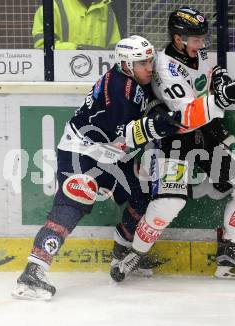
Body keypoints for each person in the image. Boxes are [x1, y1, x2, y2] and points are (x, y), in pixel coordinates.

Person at [12, 35, 181, 300]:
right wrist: (156, 125)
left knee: (142, 198)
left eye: (150, 61)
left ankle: (121, 252)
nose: (149, 67)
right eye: (142, 63)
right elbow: (123, 135)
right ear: (126, 65)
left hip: (111, 156)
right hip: (81, 154)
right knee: (71, 206)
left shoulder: (137, 81)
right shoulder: (118, 89)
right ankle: (33, 270)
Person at [110, 7, 235, 282]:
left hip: (207, 133)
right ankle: (134, 252)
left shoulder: (199, 52)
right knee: (169, 203)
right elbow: (187, 115)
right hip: (173, 137)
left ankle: (228, 252)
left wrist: (223, 82)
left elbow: (211, 71)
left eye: (203, 38)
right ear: (179, 38)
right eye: (196, 39)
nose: (202, 44)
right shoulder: (164, 68)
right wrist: (223, 99)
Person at [32, 0, 121, 50]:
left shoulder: (107, 12)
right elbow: (43, 46)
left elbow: (115, 49)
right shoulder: (52, 8)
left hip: (99, 76)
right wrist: (77, 49)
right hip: (61, 78)